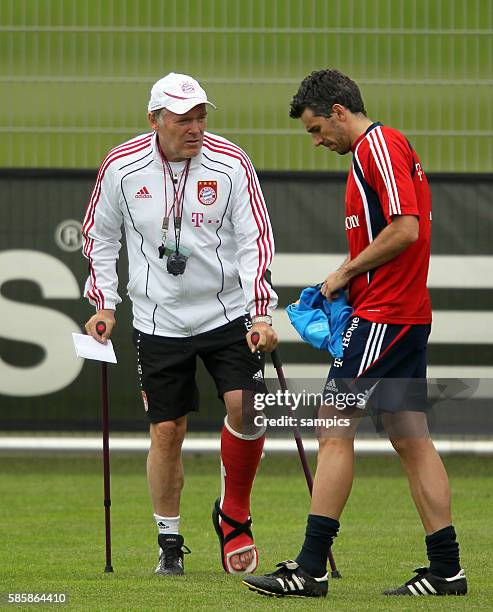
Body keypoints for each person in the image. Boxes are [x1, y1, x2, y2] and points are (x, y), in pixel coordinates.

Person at [243, 69, 467, 598]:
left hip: (384, 316)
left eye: (317, 130)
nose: (318, 142)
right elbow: (392, 234)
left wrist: (344, 274)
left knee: (332, 429)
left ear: (339, 112)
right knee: (411, 439)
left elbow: (405, 228)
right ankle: (447, 569)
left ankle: (311, 568)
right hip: (402, 315)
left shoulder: (377, 148)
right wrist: (345, 277)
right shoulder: (379, 152)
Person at [82, 72, 278, 577]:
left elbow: (255, 238)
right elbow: (100, 237)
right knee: (168, 430)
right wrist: (105, 302)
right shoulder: (121, 167)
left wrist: (260, 309)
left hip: (226, 310)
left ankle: (233, 512)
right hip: (156, 317)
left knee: (249, 408)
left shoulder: (231, 162)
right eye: (183, 119)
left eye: (201, 117)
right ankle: (169, 541)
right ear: (155, 120)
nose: (195, 128)